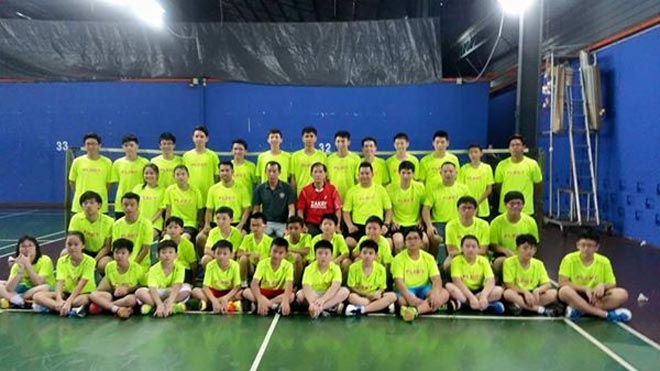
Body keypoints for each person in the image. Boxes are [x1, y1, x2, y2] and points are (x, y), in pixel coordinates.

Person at [558, 229, 631, 322]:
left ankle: (580, 310)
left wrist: (603, 285)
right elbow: (562, 282)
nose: (585, 249)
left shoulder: (604, 261)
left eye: (590, 246)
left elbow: (612, 284)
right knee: (564, 291)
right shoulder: (569, 259)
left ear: (597, 247)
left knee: (622, 294)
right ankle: (605, 314)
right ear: (577, 245)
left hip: (596, 297)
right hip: (577, 294)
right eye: (582, 245)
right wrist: (584, 288)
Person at [32, 232, 96, 317]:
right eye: (69, 244)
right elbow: (60, 282)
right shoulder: (61, 261)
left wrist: (69, 301)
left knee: (77, 301)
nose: (72, 247)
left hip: (83, 293)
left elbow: (82, 283)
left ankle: (60, 307)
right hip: (66, 293)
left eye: (76, 244)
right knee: (37, 296)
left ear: (83, 245)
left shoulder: (90, 261)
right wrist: (59, 300)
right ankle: (60, 308)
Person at [392, 228, 450, 322]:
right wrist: (410, 297)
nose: (412, 241)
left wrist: (435, 293)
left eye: (416, 238)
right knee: (402, 300)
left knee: (444, 293)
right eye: (409, 239)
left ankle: (415, 311)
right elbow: (398, 282)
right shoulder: (398, 259)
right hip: (408, 289)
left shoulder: (429, 258)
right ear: (404, 242)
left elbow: (436, 279)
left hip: (424, 288)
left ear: (421, 242)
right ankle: (428, 307)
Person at [197, 161, 251, 253]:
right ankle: (209, 260)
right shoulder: (213, 189)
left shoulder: (242, 188)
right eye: (222, 171)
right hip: (217, 223)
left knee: (242, 237)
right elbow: (209, 210)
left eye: (227, 170)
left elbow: (246, 209)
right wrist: (207, 224)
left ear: (232, 172)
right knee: (200, 238)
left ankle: (233, 262)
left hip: (236, 223)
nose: (224, 173)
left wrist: (241, 225)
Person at [502, 234, 561, 316]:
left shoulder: (538, 264)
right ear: (517, 249)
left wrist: (538, 290)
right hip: (518, 293)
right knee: (508, 293)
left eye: (532, 248)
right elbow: (509, 285)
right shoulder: (508, 262)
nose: (529, 251)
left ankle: (522, 306)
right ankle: (540, 309)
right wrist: (525, 292)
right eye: (525, 248)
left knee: (554, 293)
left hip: (534, 295)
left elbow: (547, 284)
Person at [446, 235, 505, 314]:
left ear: (478, 248)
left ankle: (464, 305)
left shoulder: (483, 260)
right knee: (449, 287)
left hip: (480, 291)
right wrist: (471, 298)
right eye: (467, 246)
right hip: (464, 291)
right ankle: (485, 306)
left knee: (499, 290)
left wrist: (483, 296)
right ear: (462, 248)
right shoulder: (456, 261)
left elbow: (490, 280)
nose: (470, 249)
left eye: (474, 247)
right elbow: (457, 281)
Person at [422, 162, 469, 260]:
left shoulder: (463, 189)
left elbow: (470, 207)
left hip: (458, 223)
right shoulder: (433, 190)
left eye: (451, 171)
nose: (448, 174)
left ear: (456, 173)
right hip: (439, 224)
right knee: (433, 237)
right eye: (445, 171)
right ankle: (433, 261)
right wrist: (429, 226)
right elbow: (426, 209)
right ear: (440, 173)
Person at [88, 238, 145, 319]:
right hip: (114, 295)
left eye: (123, 253)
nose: (119, 256)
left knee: (131, 300)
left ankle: (107, 306)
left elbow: (142, 286)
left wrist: (127, 289)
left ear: (130, 254)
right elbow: (108, 284)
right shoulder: (109, 266)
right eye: (117, 252)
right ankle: (118, 309)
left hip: (128, 297)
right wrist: (114, 289)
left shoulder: (137, 268)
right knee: (93, 295)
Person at [343, 162, 392, 251]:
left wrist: (386, 225)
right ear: (358, 175)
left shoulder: (381, 189)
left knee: (388, 242)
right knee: (349, 242)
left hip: (377, 226)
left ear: (372, 174)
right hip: (358, 226)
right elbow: (346, 211)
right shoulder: (352, 191)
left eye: (367, 173)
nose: (364, 176)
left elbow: (388, 209)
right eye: (362, 174)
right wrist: (350, 225)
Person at [135, 240, 191, 318]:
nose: (167, 255)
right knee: (139, 292)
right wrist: (159, 304)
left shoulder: (180, 267)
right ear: (158, 255)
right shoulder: (153, 269)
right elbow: (152, 288)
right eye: (163, 253)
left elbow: (177, 285)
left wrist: (170, 301)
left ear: (176, 255)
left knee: (187, 290)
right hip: (158, 292)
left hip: (172, 291)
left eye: (170, 252)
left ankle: (153, 307)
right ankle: (173, 307)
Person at [297, 240, 350, 318]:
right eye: (320, 253)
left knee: (345, 291)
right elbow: (306, 286)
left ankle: (320, 308)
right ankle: (329, 307)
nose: (323, 256)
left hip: (328, 295)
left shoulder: (336, 268)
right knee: (300, 295)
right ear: (315, 255)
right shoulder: (309, 268)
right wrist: (312, 302)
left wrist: (323, 299)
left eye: (326, 253)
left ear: (331, 255)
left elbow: (335, 286)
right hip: (314, 294)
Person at [242, 237, 295, 316]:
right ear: (270, 250)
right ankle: (274, 307)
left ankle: (265, 304)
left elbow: (289, 284)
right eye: (274, 251)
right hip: (264, 292)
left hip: (278, 293)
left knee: (291, 296)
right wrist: (259, 299)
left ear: (285, 254)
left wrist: (285, 301)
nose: (276, 255)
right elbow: (254, 284)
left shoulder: (288, 265)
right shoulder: (262, 263)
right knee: (246, 292)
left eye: (280, 253)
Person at [490, 191, 539, 274]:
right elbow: (492, 245)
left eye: (518, 203)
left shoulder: (531, 222)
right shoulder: (496, 222)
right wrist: (506, 251)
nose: (515, 206)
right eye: (512, 204)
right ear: (505, 205)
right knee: (499, 262)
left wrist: (525, 255)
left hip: (525, 255)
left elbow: (535, 244)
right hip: (504, 256)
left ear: (523, 205)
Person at [345, 239, 397, 316]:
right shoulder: (353, 267)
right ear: (360, 254)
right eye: (364, 253)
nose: (367, 256)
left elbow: (382, 287)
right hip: (361, 296)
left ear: (375, 256)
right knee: (352, 297)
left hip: (375, 296)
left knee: (393, 296)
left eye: (370, 253)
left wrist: (377, 293)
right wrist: (365, 295)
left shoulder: (381, 268)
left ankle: (362, 309)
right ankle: (380, 307)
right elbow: (351, 287)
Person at [0, 236, 54, 309]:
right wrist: (20, 270)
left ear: (36, 248)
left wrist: (27, 265)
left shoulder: (45, 260)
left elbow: (38, 283)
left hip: (38, 290)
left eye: (30, 246)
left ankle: (14, 299)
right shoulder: (17, 265)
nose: (27, 249)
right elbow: (9, 288)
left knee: (45, 288)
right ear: (19, 249)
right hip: (24, 288)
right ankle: (18, 300)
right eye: (23, 246)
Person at [494, 135, 543, 216]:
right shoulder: (501, 165)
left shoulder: (532, 164)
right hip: (506, 209)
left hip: (526, 210)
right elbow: (498, 185)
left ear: (523, 147)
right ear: (509, 148)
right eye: (512, 145)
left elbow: (538, 184)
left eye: (518, 145)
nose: (515, 147)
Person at [67, 190, 114, 273]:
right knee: (64, 253)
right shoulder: (76, 219)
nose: (88, 206)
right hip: (82, 251)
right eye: (85, 203)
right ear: (82, 206)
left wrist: (93, 261)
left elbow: (107, 246)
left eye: (92, 203)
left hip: (101, 253)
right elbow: (73, 241)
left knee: (104, 264)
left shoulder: (109, 221)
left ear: (99, 205)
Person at [191, 240, 243, 314]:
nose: (221, 256)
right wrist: (214, 300)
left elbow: (237, 287)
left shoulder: (235, 265)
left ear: (231, 255)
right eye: (218, 253)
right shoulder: (210, 265)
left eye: (225, 254)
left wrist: (225, 298)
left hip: (228, 292)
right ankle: (229, 304)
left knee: (241, 293)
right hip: (214, 292)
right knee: (195, 291)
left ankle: (209, 304)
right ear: (214, 254)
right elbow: (205, 287)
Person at [387, 161, 427, 254]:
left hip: (415, 224)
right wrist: (393, 221)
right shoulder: (390, 188)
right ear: (399, 173)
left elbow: (424, 206)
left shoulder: (420, 187)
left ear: (413, 174)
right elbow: (388, 209)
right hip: (398, 224)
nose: (406, 176)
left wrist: (421, 220)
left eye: (409, 173)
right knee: (398, 243)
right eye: (403, 173)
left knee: (425, 242)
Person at [443, 196, 490, 273]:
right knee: (447, 264)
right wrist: (466, 253)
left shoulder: (484, 225)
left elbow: (483, 251)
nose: (466, 211)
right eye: (463, 208)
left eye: (469, 208)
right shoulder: (450, 225)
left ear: (475, 210)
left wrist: (468, 253)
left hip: (478, 256)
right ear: (458, 210)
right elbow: (451, 252)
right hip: (458, 256)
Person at [68, 132, 112, 214]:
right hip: (80, 206)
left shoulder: (107, 162)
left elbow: (108, 184)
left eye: (94, 144)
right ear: (84, 146)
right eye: (88, 144)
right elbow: (72, 181)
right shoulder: (77, 161)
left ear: (99, 146)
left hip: (100, 207)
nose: (91, 146)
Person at [296, 162, 342, 236]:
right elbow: (300, 210)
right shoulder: (305, 191)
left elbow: (338, 209)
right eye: (315, 172)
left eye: (320, 172)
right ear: (311, 174)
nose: (318, 174)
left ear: (325, 174)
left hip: (328, 223)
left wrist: (337, 225)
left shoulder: (332, 190)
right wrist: (302, 225)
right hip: (312, 224)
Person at [253, 161, 296, 238]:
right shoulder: (260, 188)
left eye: (274, 171)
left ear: (279, 172)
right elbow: (256, 209)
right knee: (257, 236)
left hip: (283, 223)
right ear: (265, 172)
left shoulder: (287, 188)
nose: (271, 174)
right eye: (269, 171)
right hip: (266, 223)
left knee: (288, 238)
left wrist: (289, 226)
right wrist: (255, 225)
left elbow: (291, 209)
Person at [111, 192, 153, 270]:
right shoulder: (116, 225)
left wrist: (131, 267)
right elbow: (116, 248)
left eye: (132, 205)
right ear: (121, 206)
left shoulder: (146, 224)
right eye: (126, 205)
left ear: (138, 206)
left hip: (140, 265)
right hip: (120, 264)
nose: (129, 208)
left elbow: (145, 249)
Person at [111, 134, 149, 219]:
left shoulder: (145, 162)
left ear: (137, 146)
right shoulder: (117, 163)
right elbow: (116, 183)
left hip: (140, 202)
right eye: (126, 145)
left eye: (131, 145)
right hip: (121, 203)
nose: (129, 148)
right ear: (122, 147)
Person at [163, 164, 203, 240]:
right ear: (174, 177)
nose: (180, 177)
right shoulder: (169, 190)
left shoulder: (195, 191)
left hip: (189, 224)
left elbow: (200, 210)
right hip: (173, 224)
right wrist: (165, 227)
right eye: (177, 174)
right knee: (166, 240)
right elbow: (168, 211)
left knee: (184, 239)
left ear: (188, 176)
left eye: (183, 174)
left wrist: (199, 225)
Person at [182, 125, 219, 206]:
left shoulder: (213, 156)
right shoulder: (186, 156)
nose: (199, 139)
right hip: (190, 194)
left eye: (202, 136)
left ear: (206, 139)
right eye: (196, 136)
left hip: (207, 194)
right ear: (193, 138)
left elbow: (216, 176)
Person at [237, 213, 274, 286]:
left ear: (265, 226)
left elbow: (271, 259)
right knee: (243, 259)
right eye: (253, 225)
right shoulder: (247, 238)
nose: (255, 228)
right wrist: (250, 253)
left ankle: (262, 283)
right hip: (250, 266)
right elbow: (238, 254)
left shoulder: (270, 240)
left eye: (258, 225)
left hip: (263, 267)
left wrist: (261, 259)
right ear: (250, 226)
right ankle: (243, 284)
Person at [459, 144, 494, 219]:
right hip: (467, 206)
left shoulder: (487, 168)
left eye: (475, 152)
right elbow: (460, 188)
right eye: (471, 152)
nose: (473, 154)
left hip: (483, 205)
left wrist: (477, 202)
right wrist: (469, 203)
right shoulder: (463, 169)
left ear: (481, 153)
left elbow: (489, 189)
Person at [290, 126, 327, 196]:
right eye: (306, 136)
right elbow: (293, 179)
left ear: (315, 138)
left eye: (311, 136)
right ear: (302, 139)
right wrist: (293, 196)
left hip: (318, 195)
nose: (309, 139)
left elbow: (325, 178)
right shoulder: (295, 156)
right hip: (301, 194)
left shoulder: (322, 156)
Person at [132, 163, 165, 240]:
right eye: (146, 173)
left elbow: (160, 211)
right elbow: (133, 207)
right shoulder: (138, 188)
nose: (149, 176)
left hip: (155, 225)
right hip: (138, 223)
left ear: (157, 175)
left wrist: (148, 223)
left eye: (151, 173)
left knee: (143, 238)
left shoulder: (163, 190)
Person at [326, 130, 361, 202]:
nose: (340, 144)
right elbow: (326, 180)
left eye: (343, 141)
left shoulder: (356, 158)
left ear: (348, 142)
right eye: (338, 141)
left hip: (351, 196)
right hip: (333, 197)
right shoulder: (329, 159)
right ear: (335, 143)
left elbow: (358, 179)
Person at [162, 216, 198, 284]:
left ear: (181, 230)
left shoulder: (188, 245)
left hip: (184, 270)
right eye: (170, 227)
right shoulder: (164, 243)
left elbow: (193, 264)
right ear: (166, 229)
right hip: (168, 270)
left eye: (176, 227)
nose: (172, 230)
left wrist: (193, 280)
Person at [284, 216, 311, 286]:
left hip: (302, 266)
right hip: (288, 266)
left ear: (302, 229)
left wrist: (289, 249)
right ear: (287, 230)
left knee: (298, 258)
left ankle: (296, 285)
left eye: (296, 228)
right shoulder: (285, 240)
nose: (293, 231)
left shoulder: (307, 237)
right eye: (290, 228)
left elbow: (306, 251)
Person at [230, 139, 257, 203]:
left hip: (247, 202)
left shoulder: (251, 166)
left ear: (245, 151)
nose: (238, 151)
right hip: (231, 202)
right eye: (235, 149)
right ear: (232, 151)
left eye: (240, 149)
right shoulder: (227, 166)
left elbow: (256, 183)